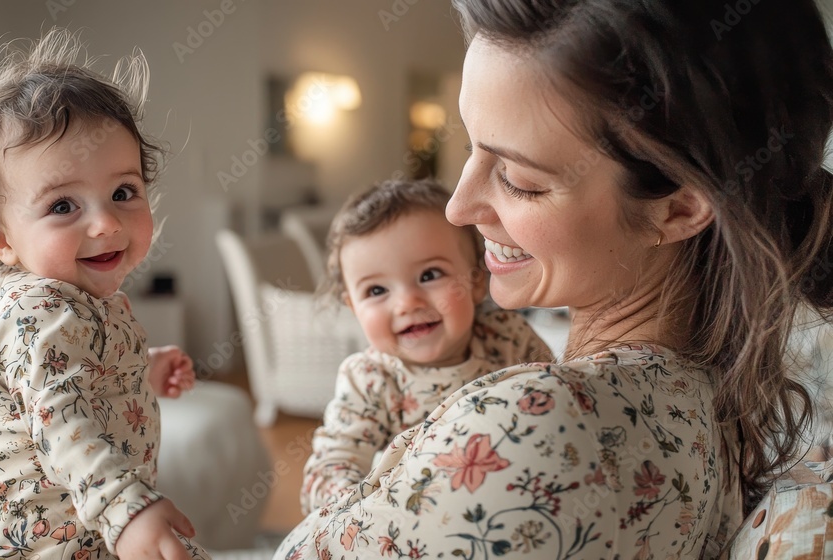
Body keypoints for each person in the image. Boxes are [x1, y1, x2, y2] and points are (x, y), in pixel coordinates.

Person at [277, 0, 833, 557]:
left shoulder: (532, 428)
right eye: (471, 144)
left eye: (519, 180)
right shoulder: (723, 402)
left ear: (679, 208)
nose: (458, 208)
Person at [0, 30, 208, 560]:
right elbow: (59, 415)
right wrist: (126, 506)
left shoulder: (94, 304)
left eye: (122, 193)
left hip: (90, 534)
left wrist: (143, 369)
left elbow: (89, 381)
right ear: (0, 238)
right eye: (63, 206)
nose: (106, 223)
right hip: (32, 547)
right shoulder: (32, 309)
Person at [300, 179, 553, 513]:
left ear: (477, 281)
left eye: (430, 274)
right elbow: (329, 468)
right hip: (412, 519)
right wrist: (364, 509)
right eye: (377, 291)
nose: (407, 303)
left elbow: (555, 398)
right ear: (353, 308)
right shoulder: (370, 380)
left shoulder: (508, 338)